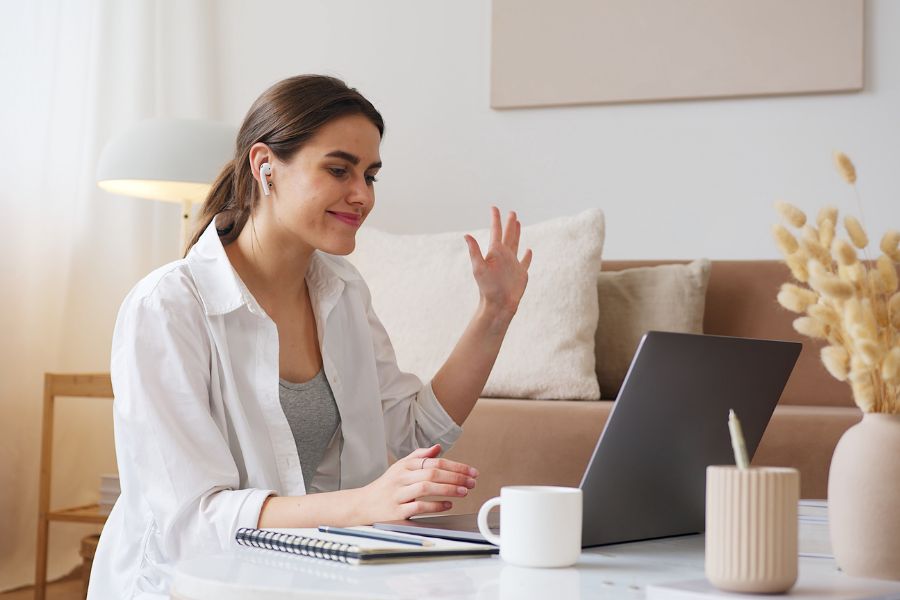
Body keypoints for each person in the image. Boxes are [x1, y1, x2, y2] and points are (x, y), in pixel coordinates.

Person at [87, 74, 532, 599]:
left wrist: (494, 313)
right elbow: (193, 522)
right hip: (191, 584)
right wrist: (365, 504)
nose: (362, 195)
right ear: (264, 166)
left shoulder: (342, 291)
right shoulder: (167, 307)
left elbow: (413, 430)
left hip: (310, 576)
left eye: (371, 176)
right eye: (339, 170)